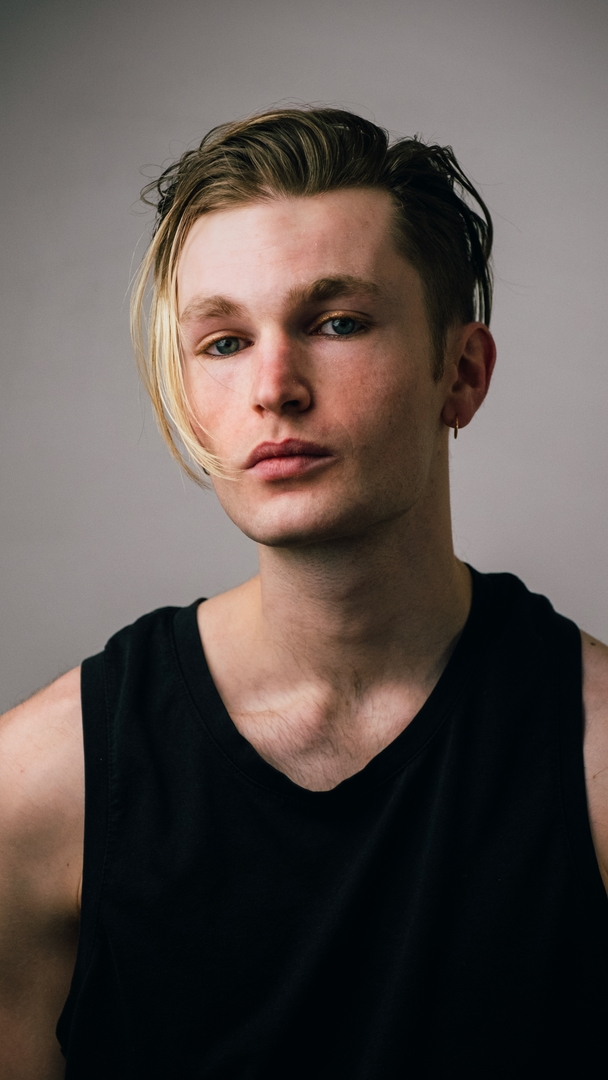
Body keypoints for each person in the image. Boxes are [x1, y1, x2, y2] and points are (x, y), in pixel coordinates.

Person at [0, 107, 607, 1079]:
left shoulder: (594, 761)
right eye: (223, 341)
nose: (273, 387)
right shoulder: (35, 793)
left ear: (460, 374)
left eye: (337, 323)